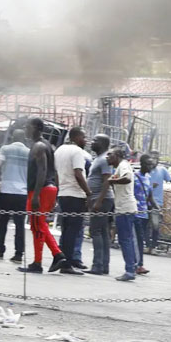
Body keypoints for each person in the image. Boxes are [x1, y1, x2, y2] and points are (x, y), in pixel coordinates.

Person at [19, 118, 75, 274]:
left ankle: (38, 262)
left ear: (36, 128)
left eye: (27, 127)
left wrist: (36, 195)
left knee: (37, 226)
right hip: (47, 189)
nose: (25, 130)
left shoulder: (39, 146)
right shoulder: (46, 146)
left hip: (41, 190)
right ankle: (58, 255)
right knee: (40, 225)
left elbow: (43, 170)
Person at [54, 126, 92, 270]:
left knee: (65, 228)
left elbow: (57, 174)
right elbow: (78, 173)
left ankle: (61, 259)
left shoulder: (59, 150)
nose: (86, 140)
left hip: (63, 193)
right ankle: (67, 264)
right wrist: (88, 193)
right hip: (76, 195)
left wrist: (59, 189)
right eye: (84, 137)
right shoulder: (77, 152)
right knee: (73, 230)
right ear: (76, 137)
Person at [104, 146, 140, 282]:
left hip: (125, 208)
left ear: (118, 156)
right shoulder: (119, 167)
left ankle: (130, 270)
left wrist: (112, 181)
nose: (108, 157)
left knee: (125, 240)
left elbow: (128, 178)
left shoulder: (123, 165)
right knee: (128, 239)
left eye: (110, 154)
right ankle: (132, 266)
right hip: (124, 208)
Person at [0, 128, 29, 262]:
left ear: (13, 138)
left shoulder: (5, 149)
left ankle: (0, 249)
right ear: (24, 139)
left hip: (6, 189)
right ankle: (19, 253)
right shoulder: (29, 152)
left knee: (2, 220)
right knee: (19, 223)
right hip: (21, 192)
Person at [145, 151, 171, 253]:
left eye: (156, 158)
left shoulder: (162, 170)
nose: (154, 160)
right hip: (144, 202)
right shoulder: (145, 170)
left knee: (155, 225)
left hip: (156, 202)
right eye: (152, 157)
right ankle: (146, 245)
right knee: (144, 225)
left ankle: (153, 247)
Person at [86, 134, 114, 275]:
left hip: (101, 200)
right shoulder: (99, 158)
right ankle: (103, 265)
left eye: (95, 140)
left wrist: (98, 201)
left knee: (95, 231)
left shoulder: (103, 159)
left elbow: (106, 181)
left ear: (103, 144)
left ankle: (97, 265)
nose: (92, 142)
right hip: (100, 199)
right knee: (103, 233)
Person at [133, 154, 152, 275]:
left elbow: (149, 195)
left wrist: (155, 207)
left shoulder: (148, 177)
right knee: (137, 239)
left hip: (145, 213)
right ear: (142, 164)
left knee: (141, 239)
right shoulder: (135, 177)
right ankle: (138, 264)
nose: (150, 166)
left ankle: (139, 263)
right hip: (136, 212)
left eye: (151, 164)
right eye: (148, 164)